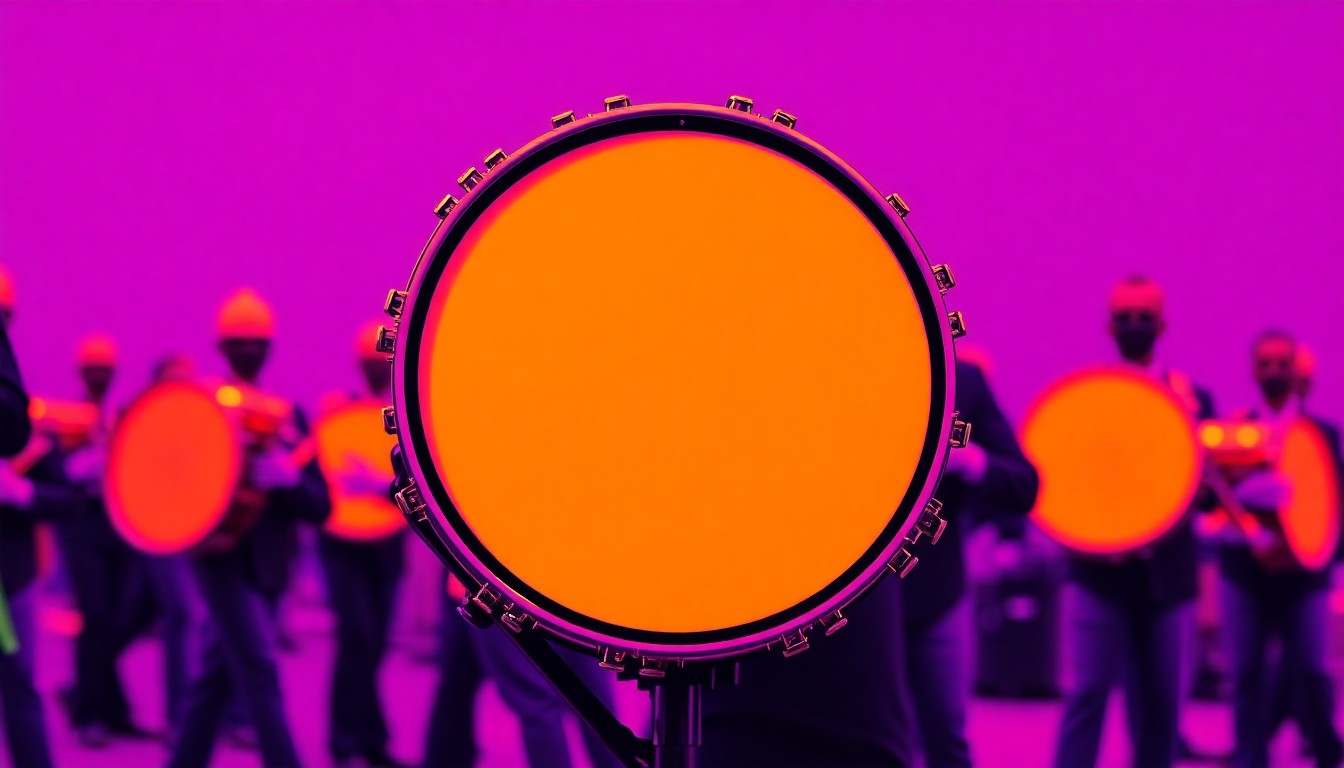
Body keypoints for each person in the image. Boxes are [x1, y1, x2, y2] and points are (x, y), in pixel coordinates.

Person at [1053, 276, 1214, 768]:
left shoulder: (1193, 399)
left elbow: (1210, 495)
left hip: (1167, 578)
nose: (1135, 325)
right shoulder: (1089, 397)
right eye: (1125, 317)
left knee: (1161, 710)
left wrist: (1192, 450)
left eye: (1145, 316)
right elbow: (1068, 478)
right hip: (1098, 574)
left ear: (1162, 324)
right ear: (1109, 326)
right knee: (1087, 696)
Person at [168, 288, 332, 768]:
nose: (248, 351)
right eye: (239, 343)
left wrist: (288, 479)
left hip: (271, 566)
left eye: (257, 342)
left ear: (270, 347)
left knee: (215, 677)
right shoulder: (204, 409)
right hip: (219, 558)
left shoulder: (288, 416)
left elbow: (321, 505)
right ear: (221, 347)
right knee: (260, 668)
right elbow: (180, 487)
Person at [900, 355, 1039, 767]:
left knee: (947, 738)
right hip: (860, 603)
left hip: (937, 592)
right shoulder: (849, 373)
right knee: (870, 741)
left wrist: (971, 460)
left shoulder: (963, 381)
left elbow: (1023, 484)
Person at [1220, 331, 1342, 768]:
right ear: (1254, 370)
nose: (1274, 371)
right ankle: (1249, 759)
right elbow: (1213, 499)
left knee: (1313, 669)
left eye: (1282, 363)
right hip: (1245, 570)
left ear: (1296, 369)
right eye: (1265, 364)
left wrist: (1329, 558)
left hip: (1305, 573)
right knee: (1246, 672)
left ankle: (1327, 753)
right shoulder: (1236, 430)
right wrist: (1239, 494)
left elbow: (1337, 504)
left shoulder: (1323, 434)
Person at [56, 333, 160, 746]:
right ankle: (89, 714)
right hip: (82, 526)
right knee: (95, 614)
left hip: (118, 525)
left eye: (104, 370)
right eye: (92, 370)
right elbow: (56, 469)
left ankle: (109, 707)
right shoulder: (68, 418)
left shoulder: (122, 417)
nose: (98, 376)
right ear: (81, 373)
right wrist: (81, 464)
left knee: (121, 616)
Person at [317, 323, 407, 767]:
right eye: (370, 363)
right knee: (357, 637)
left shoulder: (403, 420)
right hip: (343, 544)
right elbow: (326, 472)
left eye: (381, 362)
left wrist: (378, 486)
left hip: (387, 544)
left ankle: (366, 738)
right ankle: (348, 739)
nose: (376, 369)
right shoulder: (340, 415)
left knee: (374, 644)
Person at [0, 284, 76, 768]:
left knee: (21, 689)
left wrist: (21, 492)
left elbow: (68, 501)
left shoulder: (28, 422)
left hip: (12, 574)